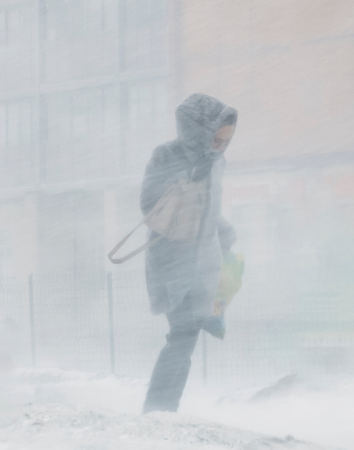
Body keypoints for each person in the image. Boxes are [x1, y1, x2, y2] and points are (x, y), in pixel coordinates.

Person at [141, 93, 238, 413]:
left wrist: (223, 231)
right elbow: (150, 205)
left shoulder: (216, 162)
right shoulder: (166, 155)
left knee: (185, 337)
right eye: (216, 139)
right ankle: (159, 409)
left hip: (204, 265)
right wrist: (185, 178)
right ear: (199, 131)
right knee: (182, 336)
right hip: (173, 265)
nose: (221, 146)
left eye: (227, 140)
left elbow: (208, 211)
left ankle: (161, 409)